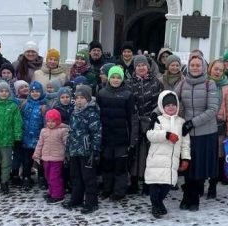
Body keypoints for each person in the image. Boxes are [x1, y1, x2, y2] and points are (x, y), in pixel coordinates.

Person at [176, 54, 219, 211]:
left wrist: (192, 123)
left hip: (205, 132)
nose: (195, 67)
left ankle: (193, 198)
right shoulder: (182, 83)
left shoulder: (210, 84)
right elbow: (170, 100)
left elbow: (212, 109)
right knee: (187, 165)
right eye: (192, 65)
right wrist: (156, 113)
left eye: (198, 65)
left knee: (199, 167)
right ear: (188, 66)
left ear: (203, 67)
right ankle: (187, 196)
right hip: (187, 132)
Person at [144, 91, 191, 218]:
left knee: (167, 185)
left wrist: (186, 158)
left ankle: (159, 202)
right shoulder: (157, 119)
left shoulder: (182, 122)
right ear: (162, 106)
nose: (171, 107)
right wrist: (166, 135)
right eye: (167, 105)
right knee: (155, 184)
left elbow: (185, 143)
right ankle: (156, 205)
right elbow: (150, 135)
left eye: (173, 104)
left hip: (172, 162)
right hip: (156, 160)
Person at [97, 65, 138, 201]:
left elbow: (132, 118)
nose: (115, 80)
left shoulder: (128, 94)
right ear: (109, 78)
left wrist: (132, 140)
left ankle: (119, 191)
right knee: (107, 165)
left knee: (120, 167)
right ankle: (107, 189)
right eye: (113, 77)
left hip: (122, 138)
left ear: (122, 79)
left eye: (118, 77)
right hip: (107, 137)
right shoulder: (102, 93)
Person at [126, 55, 163, 194]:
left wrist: (154, 114)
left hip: (151, 120)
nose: (141, 68)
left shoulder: (156, 82)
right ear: (135, 68)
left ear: (148, 67)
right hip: (134, 121)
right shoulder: (129, 83)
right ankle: (134, 181)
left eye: (143, 65)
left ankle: (148, 182)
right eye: (138, 66)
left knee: (149, 153)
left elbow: (160, 101)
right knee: (135, 152)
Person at [63, 85, 101, 214]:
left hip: (86, 151)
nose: (79, 100)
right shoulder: (74, 112)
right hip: (74, 150)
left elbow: (96, 132)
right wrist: (68, 148)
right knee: (75, 176)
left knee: (88, 177)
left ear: (88, 99)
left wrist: (95, 150)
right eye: (77, 98)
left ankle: (91, 202)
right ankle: (76, 199)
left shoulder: (92, 112)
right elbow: (71, 131)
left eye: (82, 98)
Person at [207, 59, 228, 197]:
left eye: (220, 69)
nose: (217, 71)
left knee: (217, 158)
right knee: (204, 157)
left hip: (219, 127)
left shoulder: (226, 88)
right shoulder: (204, 83)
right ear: (210, 69)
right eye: (215, 68)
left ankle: (212, 186)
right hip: (205, 126)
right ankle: (200, 184)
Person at [33, 109, 69, 204]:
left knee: (54, 177)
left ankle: (58, 195)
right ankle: (52, 192)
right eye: (48, 121)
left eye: (53, 121)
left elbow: (67, 144)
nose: (50, 123)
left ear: (58, 121)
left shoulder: (63, 131)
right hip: (46, 158)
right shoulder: (44, 131)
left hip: (57, 158)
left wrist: (67, 155)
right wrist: (37, 154)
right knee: (48, 176)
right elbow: (40, 144)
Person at [20, 81, 47, 191]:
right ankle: (26, 177)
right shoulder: (25, 104)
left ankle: (41, 177)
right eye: (33, 91)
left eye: (37, 91)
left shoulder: (43, 106)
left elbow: (46, 122)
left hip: (39, 138)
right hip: (26, 137)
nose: (35, 94)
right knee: (27, 160)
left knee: (40, 160)